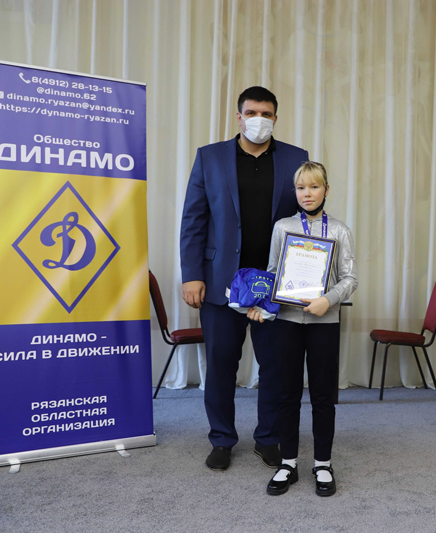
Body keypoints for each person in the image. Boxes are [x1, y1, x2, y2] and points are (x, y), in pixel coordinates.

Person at [180, 86, 309, 471]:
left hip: (275, 285)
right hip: (221, 282)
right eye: (252, 113)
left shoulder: (296, 159)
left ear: (276, 118)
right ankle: (221, 439)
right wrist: (191, 275)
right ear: (239, 117)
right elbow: (194, 220)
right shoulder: (210, 157)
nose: (259, 120)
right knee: (221, 365)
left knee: (275, 368)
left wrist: (305, 277)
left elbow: (307, 219)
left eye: (266, 114)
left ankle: (268, 438)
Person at [247, 161, 358, 497]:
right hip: (287, 323)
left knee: (323, 396)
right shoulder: (283, 227)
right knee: (286, 393)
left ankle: (323, 463)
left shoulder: (339, 230)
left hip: (325, 322)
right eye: (300, 188)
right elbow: (272, 273)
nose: (307, 194)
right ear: (294, 191)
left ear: (326, 190)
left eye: (314, 186)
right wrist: (261, 306)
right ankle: (288, 462)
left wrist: (329, 299)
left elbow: (350, 278)